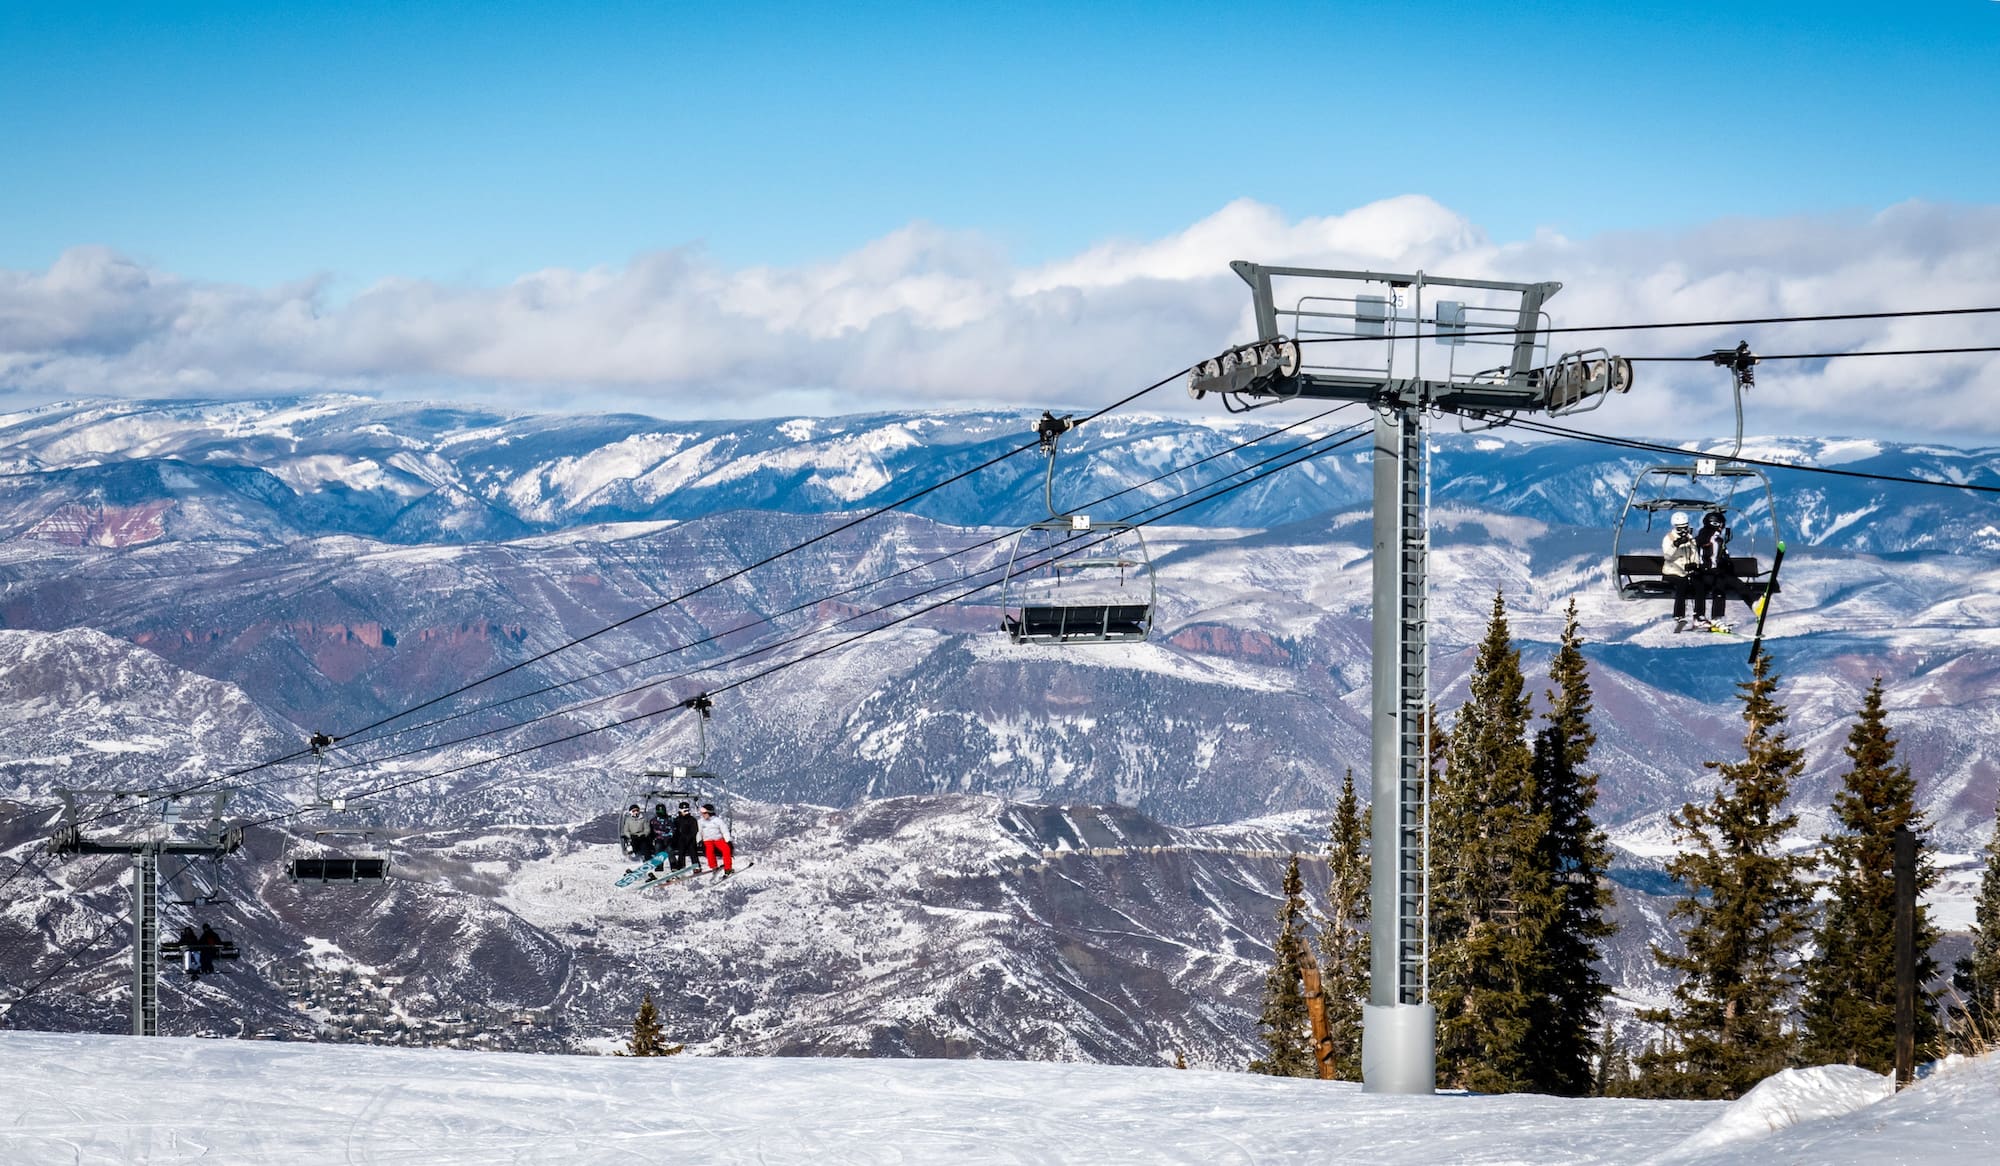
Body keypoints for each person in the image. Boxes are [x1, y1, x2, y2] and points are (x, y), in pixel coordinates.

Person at [1695, 509, 1735, 628]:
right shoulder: (1704, 539)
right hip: (1703, 574)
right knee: (1715, 586)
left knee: (1719, 585)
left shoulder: (1718, 540)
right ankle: (1708, 617)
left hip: (1710, 574)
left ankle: (1714, 617)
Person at [1661, 511, 1700, 633]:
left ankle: (1699, 616)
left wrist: (1695, 565)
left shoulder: (1690, 539)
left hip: (1687, 573)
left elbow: (1694, 554)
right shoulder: (1669, 539)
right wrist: (1676, 545)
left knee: (1699, 584)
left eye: (1685, 528)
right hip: (1671, 573)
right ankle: (1679, 615)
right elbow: (1667, 556)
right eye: (1680, 529)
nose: (1683, 531)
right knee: (1681, 584)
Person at [698, 803, 733, 876]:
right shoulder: (701, 821)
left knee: (726, 849)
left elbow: (724, 830)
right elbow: (699, 831)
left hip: (718, 839)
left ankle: (728, 868)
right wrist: (698, 840)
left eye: (704, 813)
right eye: (702, 813)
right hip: (707, 840)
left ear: (709, 813)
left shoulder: (718, 821)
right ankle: (714, 866)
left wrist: (727, 839)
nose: (703, 815)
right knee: (709, 851)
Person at [670, 801, 700, 872]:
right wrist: (674, 839)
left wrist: (688, 837)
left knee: (692, 849)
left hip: (690, 839)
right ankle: (680, 865)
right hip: (681, 839)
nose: (686, 812)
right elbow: (675, 830)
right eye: (685, 811)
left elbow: (694, 830)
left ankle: (696, 865)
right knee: (681, 849)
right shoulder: (677, 820)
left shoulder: (692, 819)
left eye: (687, 810)